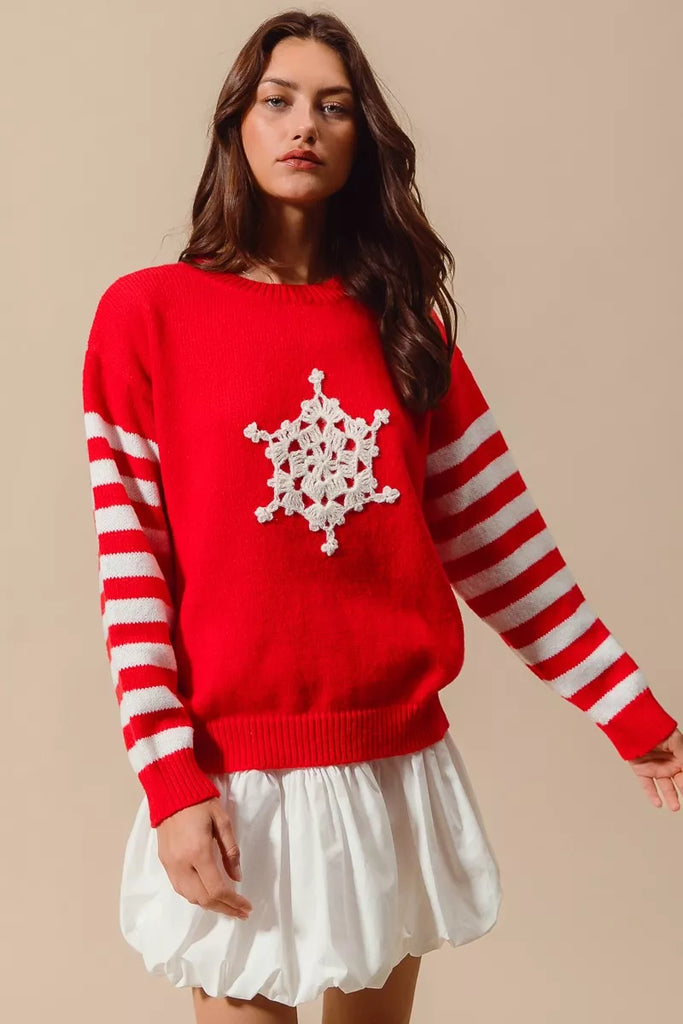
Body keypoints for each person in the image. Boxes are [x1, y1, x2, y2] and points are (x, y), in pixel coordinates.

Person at [80, 9, 682, 1024]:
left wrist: (630, 713)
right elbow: (130, 567)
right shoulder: (146, 318)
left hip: (389, 766)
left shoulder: (404, 322)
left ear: (362, 140)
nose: (301, 126)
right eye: (277, 101)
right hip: (235, 770)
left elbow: (503, 546)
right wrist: (170, 778)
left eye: (333, 107)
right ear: (236, 125)